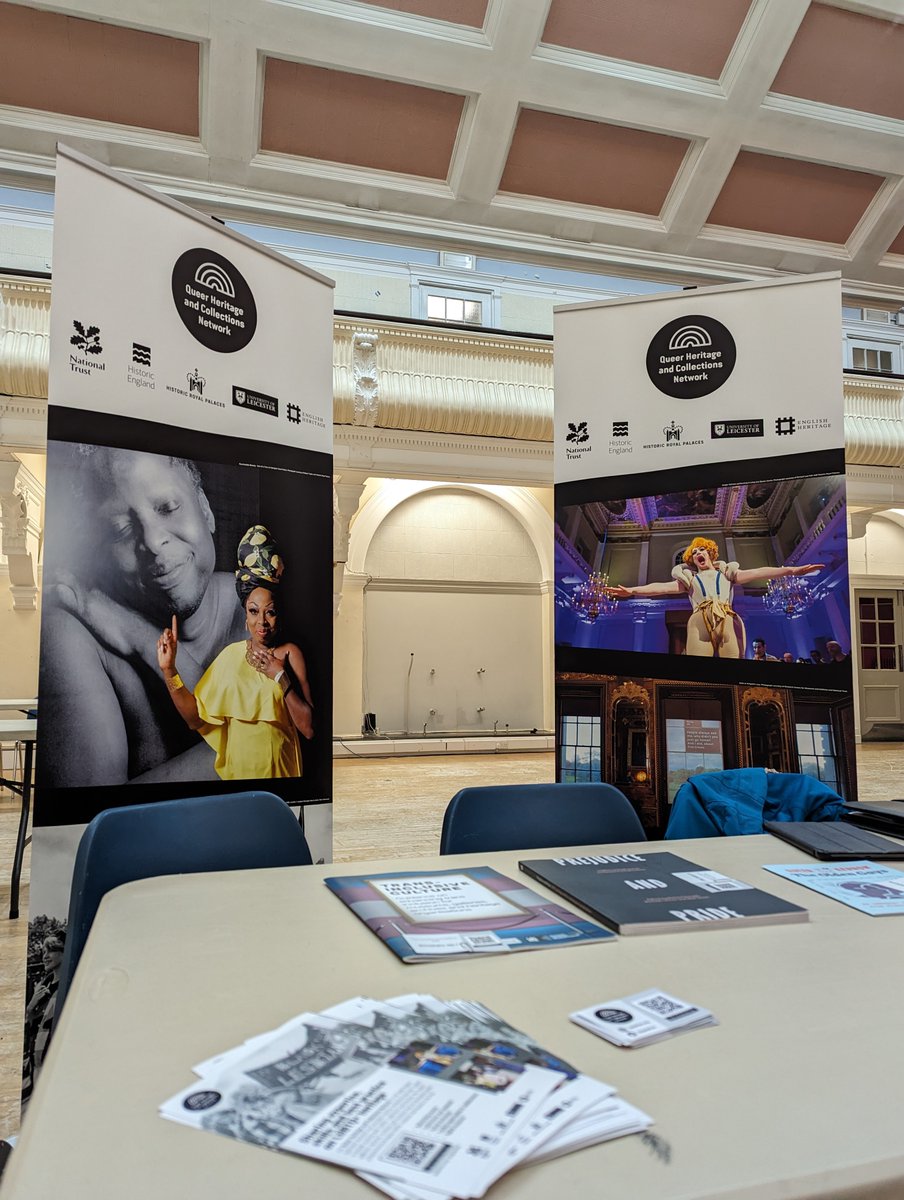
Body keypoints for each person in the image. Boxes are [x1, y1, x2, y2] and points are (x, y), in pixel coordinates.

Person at [39, 445, 246, 786]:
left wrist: (140, 637)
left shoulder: (265, 606)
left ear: (206, 510)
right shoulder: (72, 632)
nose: (152, 540)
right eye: (121, 530)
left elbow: (275, 748)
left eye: (167, 508)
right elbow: (90, 824)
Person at [157, 525, 313, 780]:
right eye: (253, 611)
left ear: (279, 616)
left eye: (270, 612)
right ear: (245, 617)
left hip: (280, 780)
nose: (262, 621)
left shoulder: (289, 654)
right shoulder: (231, 656)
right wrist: (169, 670)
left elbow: (307, 728)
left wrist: (279, 676)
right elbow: (195, 720)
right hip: (238, 782)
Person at [607, 536, 824, 658]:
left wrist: (791, 571)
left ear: (710, 553)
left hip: (726, 617)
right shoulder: (689, 579)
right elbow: (660, 587)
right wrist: (632, 591)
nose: (698, 553)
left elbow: (760, 571)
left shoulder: (728, 573)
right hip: (699, 619)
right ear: (691, 559)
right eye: (694, 552)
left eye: (702, 549)